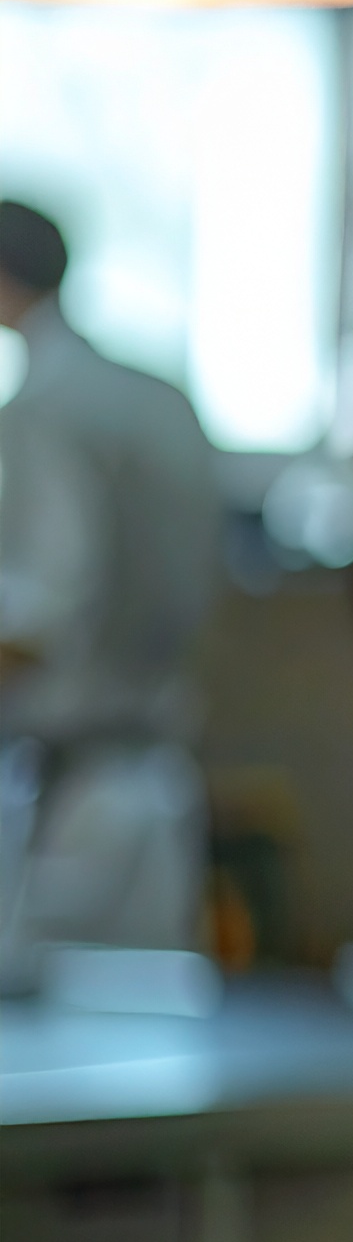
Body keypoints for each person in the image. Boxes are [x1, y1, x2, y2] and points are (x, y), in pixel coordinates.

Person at [0, 201, 221, 990]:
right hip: (160, 783)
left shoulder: (41, 412)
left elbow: (39, 615)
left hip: (73, 797)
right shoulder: (158, 397)